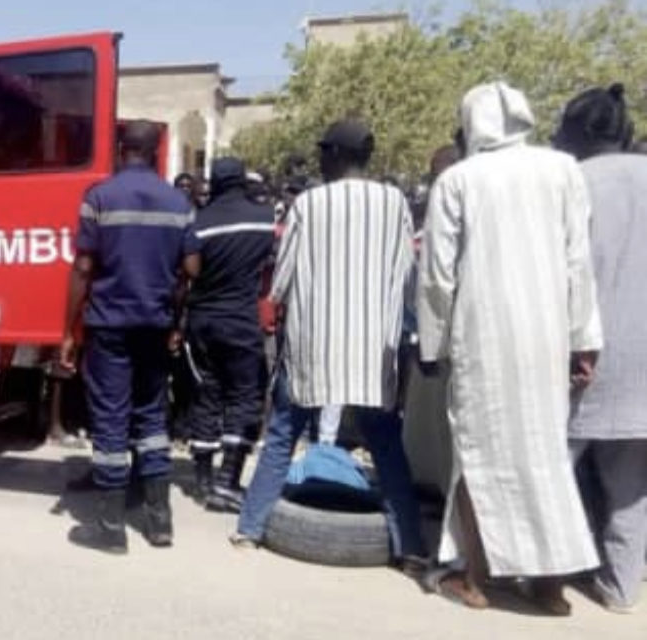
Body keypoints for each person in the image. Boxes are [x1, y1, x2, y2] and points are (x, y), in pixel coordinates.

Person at [417, 82, 602, 615]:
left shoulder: (458, 180)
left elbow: (437, 278)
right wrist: (583, 339)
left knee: (479, 453)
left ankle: (473, 579)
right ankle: (548, 587)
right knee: (543, 452)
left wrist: (432, 342)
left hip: (482, 336)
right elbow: (577, 262)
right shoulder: (563, 170)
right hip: (547, 336)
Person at [233, 120, 426, 572]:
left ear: (336, 154)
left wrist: (282, 298)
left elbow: (280, 282)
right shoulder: (394, 201)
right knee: (387, 446)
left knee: (282, 435)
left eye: (323, 152)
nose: (319, 160)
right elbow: (407, 274)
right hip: (371, 349)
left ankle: (250, 529)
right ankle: (411, 547)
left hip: (313, 346)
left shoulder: (309, 203)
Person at [60, 120, 201, 554]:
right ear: (156, 151)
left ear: (122, 149)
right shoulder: (179, 202)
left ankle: (110, 525)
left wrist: (69, 330)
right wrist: (175, 321)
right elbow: (191, 271)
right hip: (155, 326)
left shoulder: (99, 196)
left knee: (110, 418)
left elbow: (83, 268)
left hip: (109, 325)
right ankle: (160, 522)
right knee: (151, 418)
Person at [555, 83, 647, 615]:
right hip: (642, 365)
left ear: (581, 132)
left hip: (584, 360)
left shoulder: (573, 182)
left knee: (552, 471)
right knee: (631, 489)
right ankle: (619, 587)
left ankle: (540, 576)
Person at [184, 157, 276, 513]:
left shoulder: (199, 222)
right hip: (240, 321)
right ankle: (228, 481)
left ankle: (203, 480)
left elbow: (188, 271)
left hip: (203, 321)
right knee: (243, 397)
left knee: (206, 394)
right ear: (241, 181)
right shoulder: (264, 220)